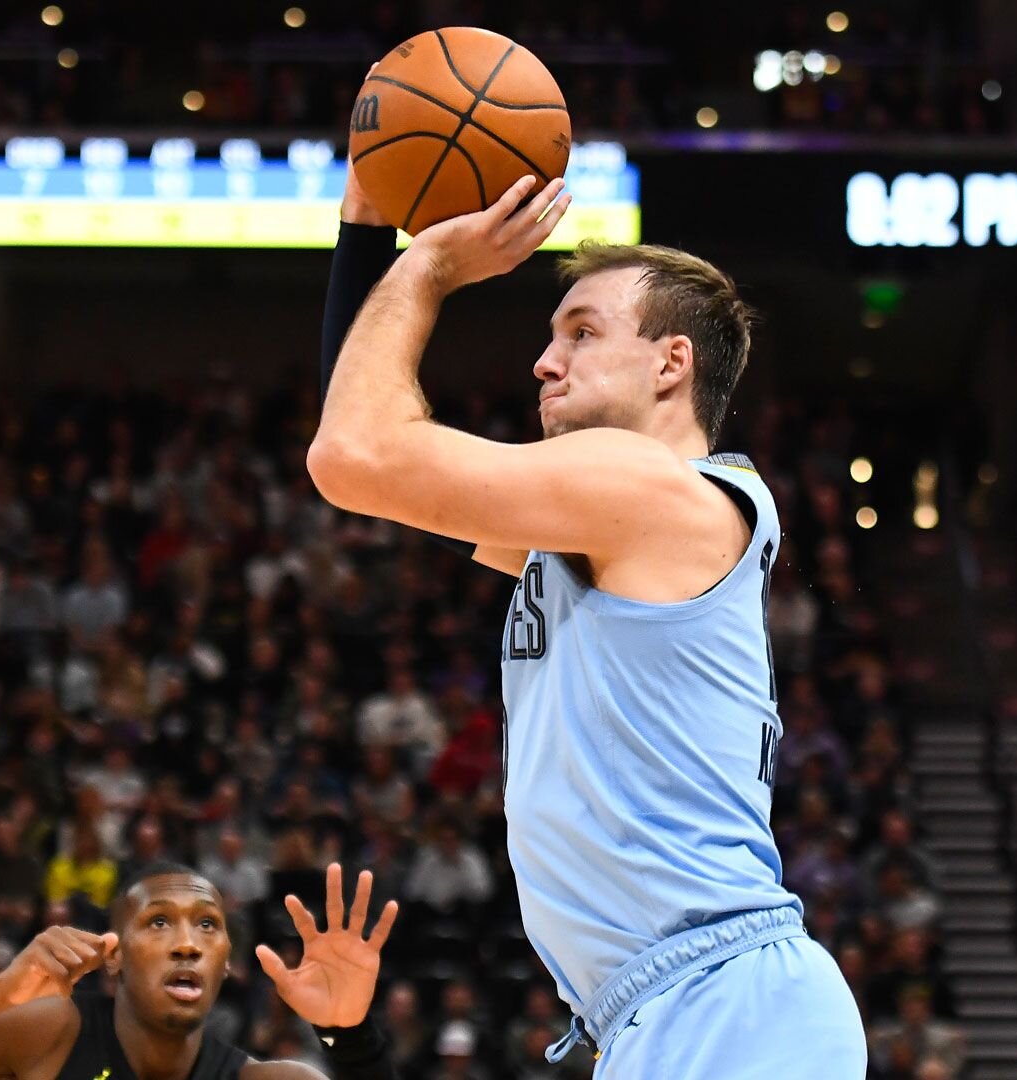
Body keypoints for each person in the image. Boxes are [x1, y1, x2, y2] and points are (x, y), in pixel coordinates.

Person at [309, 132, 866, 1076]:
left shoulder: (647, 490)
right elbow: (353, 436)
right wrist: (365, 223)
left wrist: (434, 262)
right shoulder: (606, 525)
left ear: (671, 364)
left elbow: (352, 456)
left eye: (582, 332)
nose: (543, 361)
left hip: (725, 1003)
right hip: (672, 1008)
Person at [0, 863, 401, 1080]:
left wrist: (350, 1037)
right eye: (159, 923)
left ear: (226, 969)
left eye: (208, 926)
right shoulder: (48, 1035)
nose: (187, 944)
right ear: (113, 955)